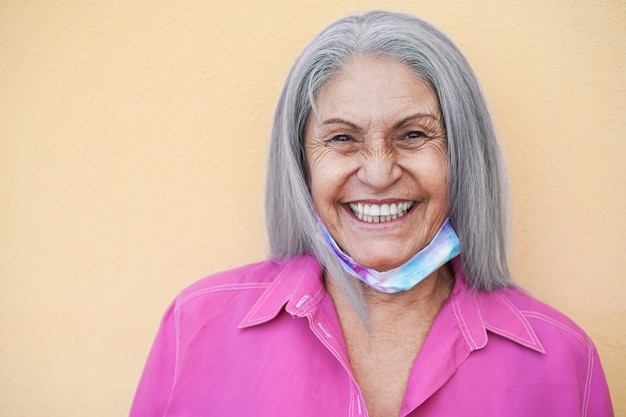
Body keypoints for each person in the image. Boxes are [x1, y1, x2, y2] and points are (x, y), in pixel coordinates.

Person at [130, 10, 614, 417]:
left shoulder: (563, 360)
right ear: (300, 164)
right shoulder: (195, 326)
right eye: (342, 138)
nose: (379, 175)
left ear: (464, 154)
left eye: (414, 135)